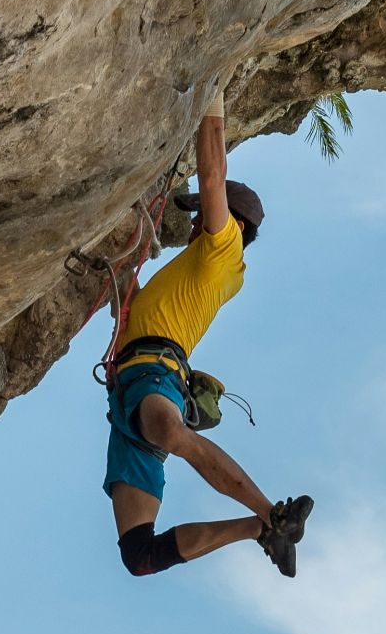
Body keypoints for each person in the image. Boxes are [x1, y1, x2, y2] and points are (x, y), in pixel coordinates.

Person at [102, 80, 313, 578]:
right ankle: (262, 530)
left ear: (230, 224)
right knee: (140, 556)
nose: (194, 225)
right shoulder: (204, 268)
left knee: (171, 433)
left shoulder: (224, 251)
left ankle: (272, 514)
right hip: (130, 394)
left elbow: (214, 174)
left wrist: (211, 90)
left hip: (154, 378)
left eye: (201, 216)